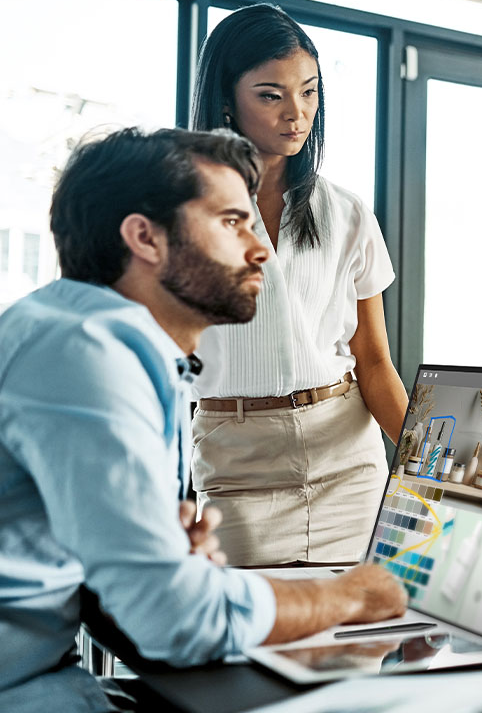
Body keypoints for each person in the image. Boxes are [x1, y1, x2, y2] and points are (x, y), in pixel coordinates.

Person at [0, 127, 407, 712]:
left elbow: (123, 600)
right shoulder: (87, 357)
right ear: (145, 238)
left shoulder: (89, 337)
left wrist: (164, 558)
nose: (261, 247)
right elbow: (174, 621)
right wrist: (349, 597)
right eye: (231, 222)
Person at [188, 3, 408, 566]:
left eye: (308, 92)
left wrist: (428, 471)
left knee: (356, 644)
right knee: (254, 641)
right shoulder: (181, 213)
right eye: (270, 94)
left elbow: (375, 361)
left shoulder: (348, 212)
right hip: (236, 461)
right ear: (225, 101)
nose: (297, 113)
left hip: (347, 457)